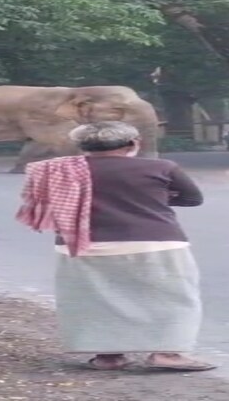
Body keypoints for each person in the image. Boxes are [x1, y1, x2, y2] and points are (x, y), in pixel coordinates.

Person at [16, 121, 216, 372]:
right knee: (172, 298)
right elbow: (192, 198)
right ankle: (168, 353)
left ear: (82, 146)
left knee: (95, 299)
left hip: (81, 245)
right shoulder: (161, 167)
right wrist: (151, 198)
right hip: (155, 242)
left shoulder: (56, 170)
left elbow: (45, 203)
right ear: (134, 144)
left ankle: (108, 357)